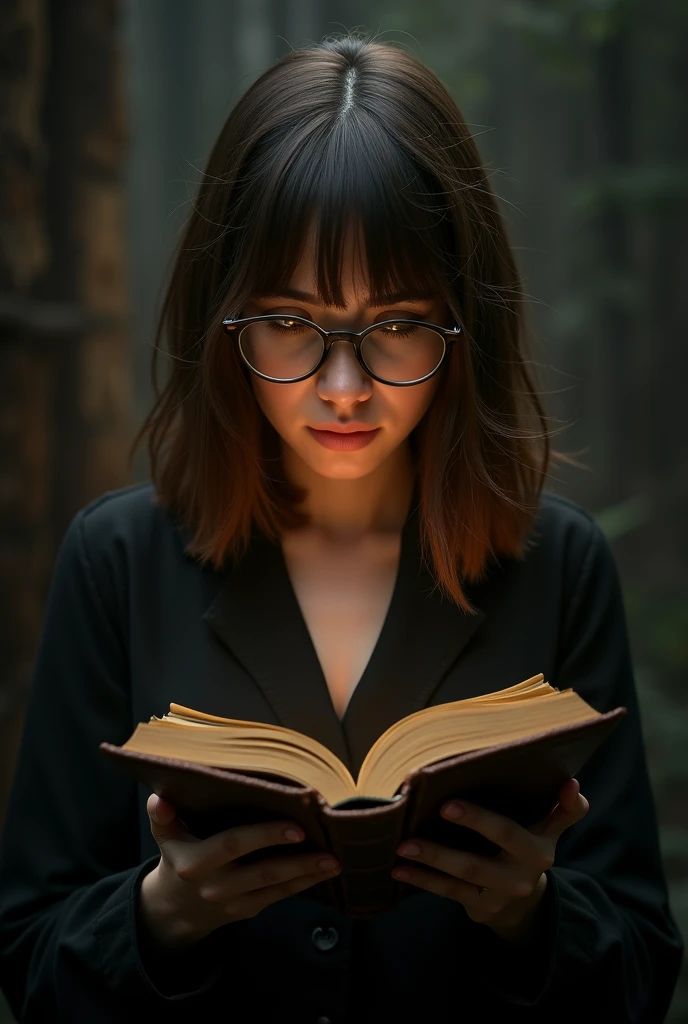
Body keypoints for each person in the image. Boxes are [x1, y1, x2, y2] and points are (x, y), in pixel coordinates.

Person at [0, 31, 682, 1024]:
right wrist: (164, 911)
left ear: (464, 325)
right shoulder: (119, 563)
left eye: (398, 325)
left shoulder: (557, 563)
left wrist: (530, 912)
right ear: (222, 322)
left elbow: (640, 972)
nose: (344, 388)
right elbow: (29, 960)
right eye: (289, 323)